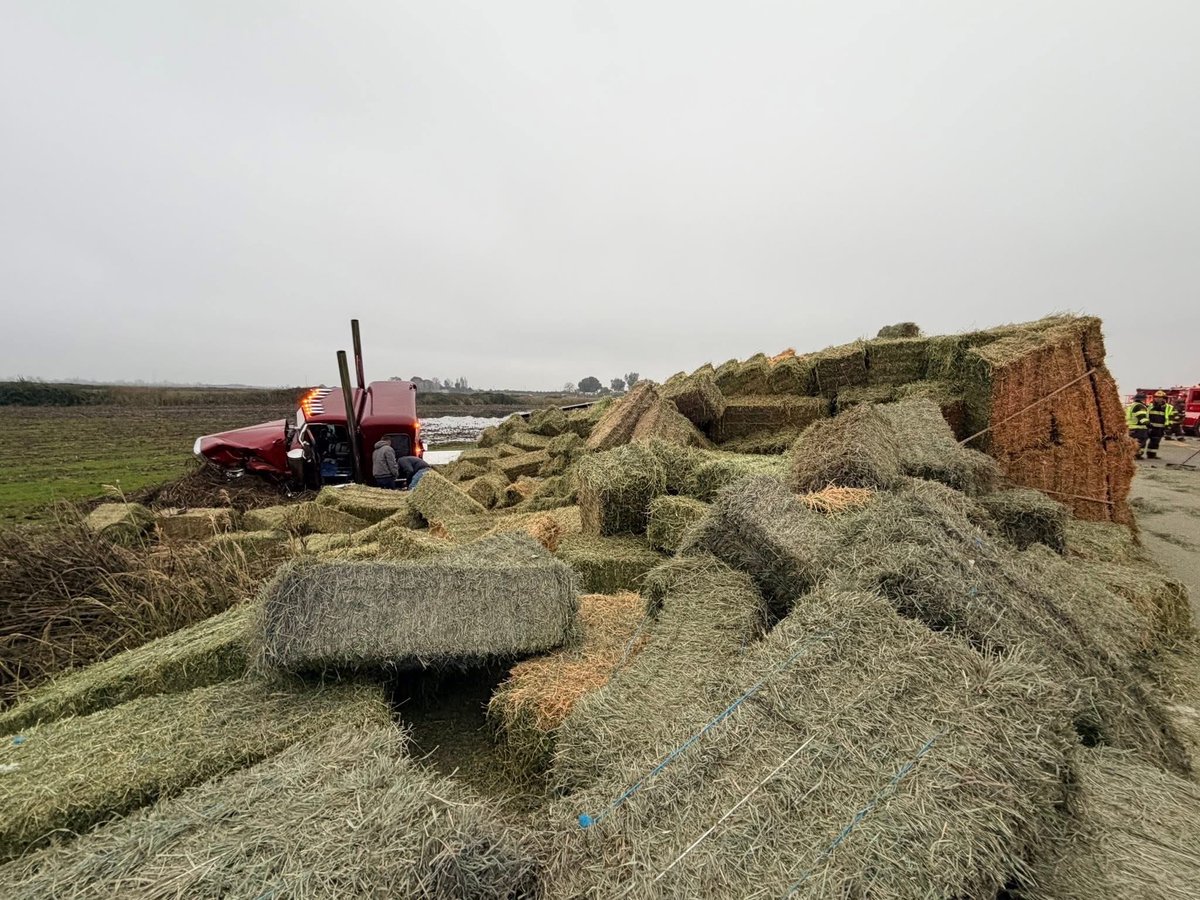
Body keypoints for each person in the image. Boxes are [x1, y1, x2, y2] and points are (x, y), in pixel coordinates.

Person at [1146, 390, 1170, 459]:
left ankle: (1152, 455)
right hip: (1150, 427)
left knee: (1155, 442)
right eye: (1156, 397)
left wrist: (1168, 427)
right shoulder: (1150, 406)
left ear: (1163, 398)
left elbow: (1168, 417)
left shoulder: (1166, 407)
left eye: (1160, 397)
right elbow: (1146, 415)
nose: (1158, 399)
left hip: (1160, 428)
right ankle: (1138, 454)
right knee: (1142, 441)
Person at [1126, 393, 1149, 459]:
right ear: (1143, 399)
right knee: (1140, 442)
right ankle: (1136, 455)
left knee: (1132, 442)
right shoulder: (1140, 406)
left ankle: (1131, 455)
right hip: (1139, 428)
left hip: (1130, 427)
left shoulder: (1130, 406)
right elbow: (1142, 417)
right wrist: (1148, 424)